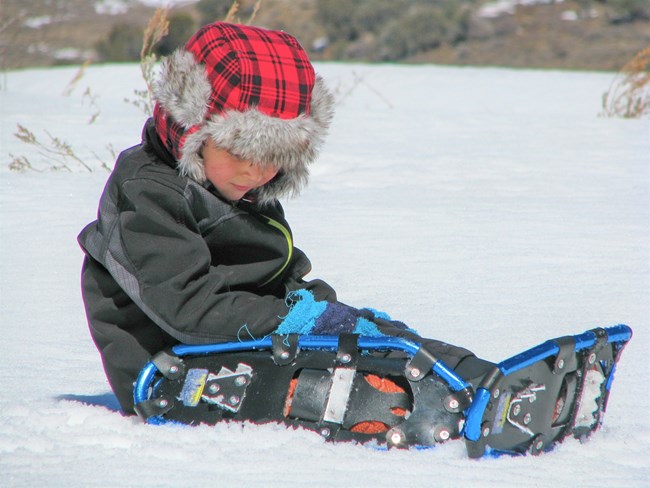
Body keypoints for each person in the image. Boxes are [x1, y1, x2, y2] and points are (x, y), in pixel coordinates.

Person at [78, 22, 483, 417]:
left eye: (276, 157)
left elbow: (276, 277)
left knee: (380, 342)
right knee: (352, 380)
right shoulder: (148, 192)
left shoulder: (235, 185)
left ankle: (477, 378)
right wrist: (302, 321)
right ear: (191, 130)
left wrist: (332, 314)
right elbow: (188, 308)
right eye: (241, 152)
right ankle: (435, 410)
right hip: (175, 371)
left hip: (249, 343)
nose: (257, 172)